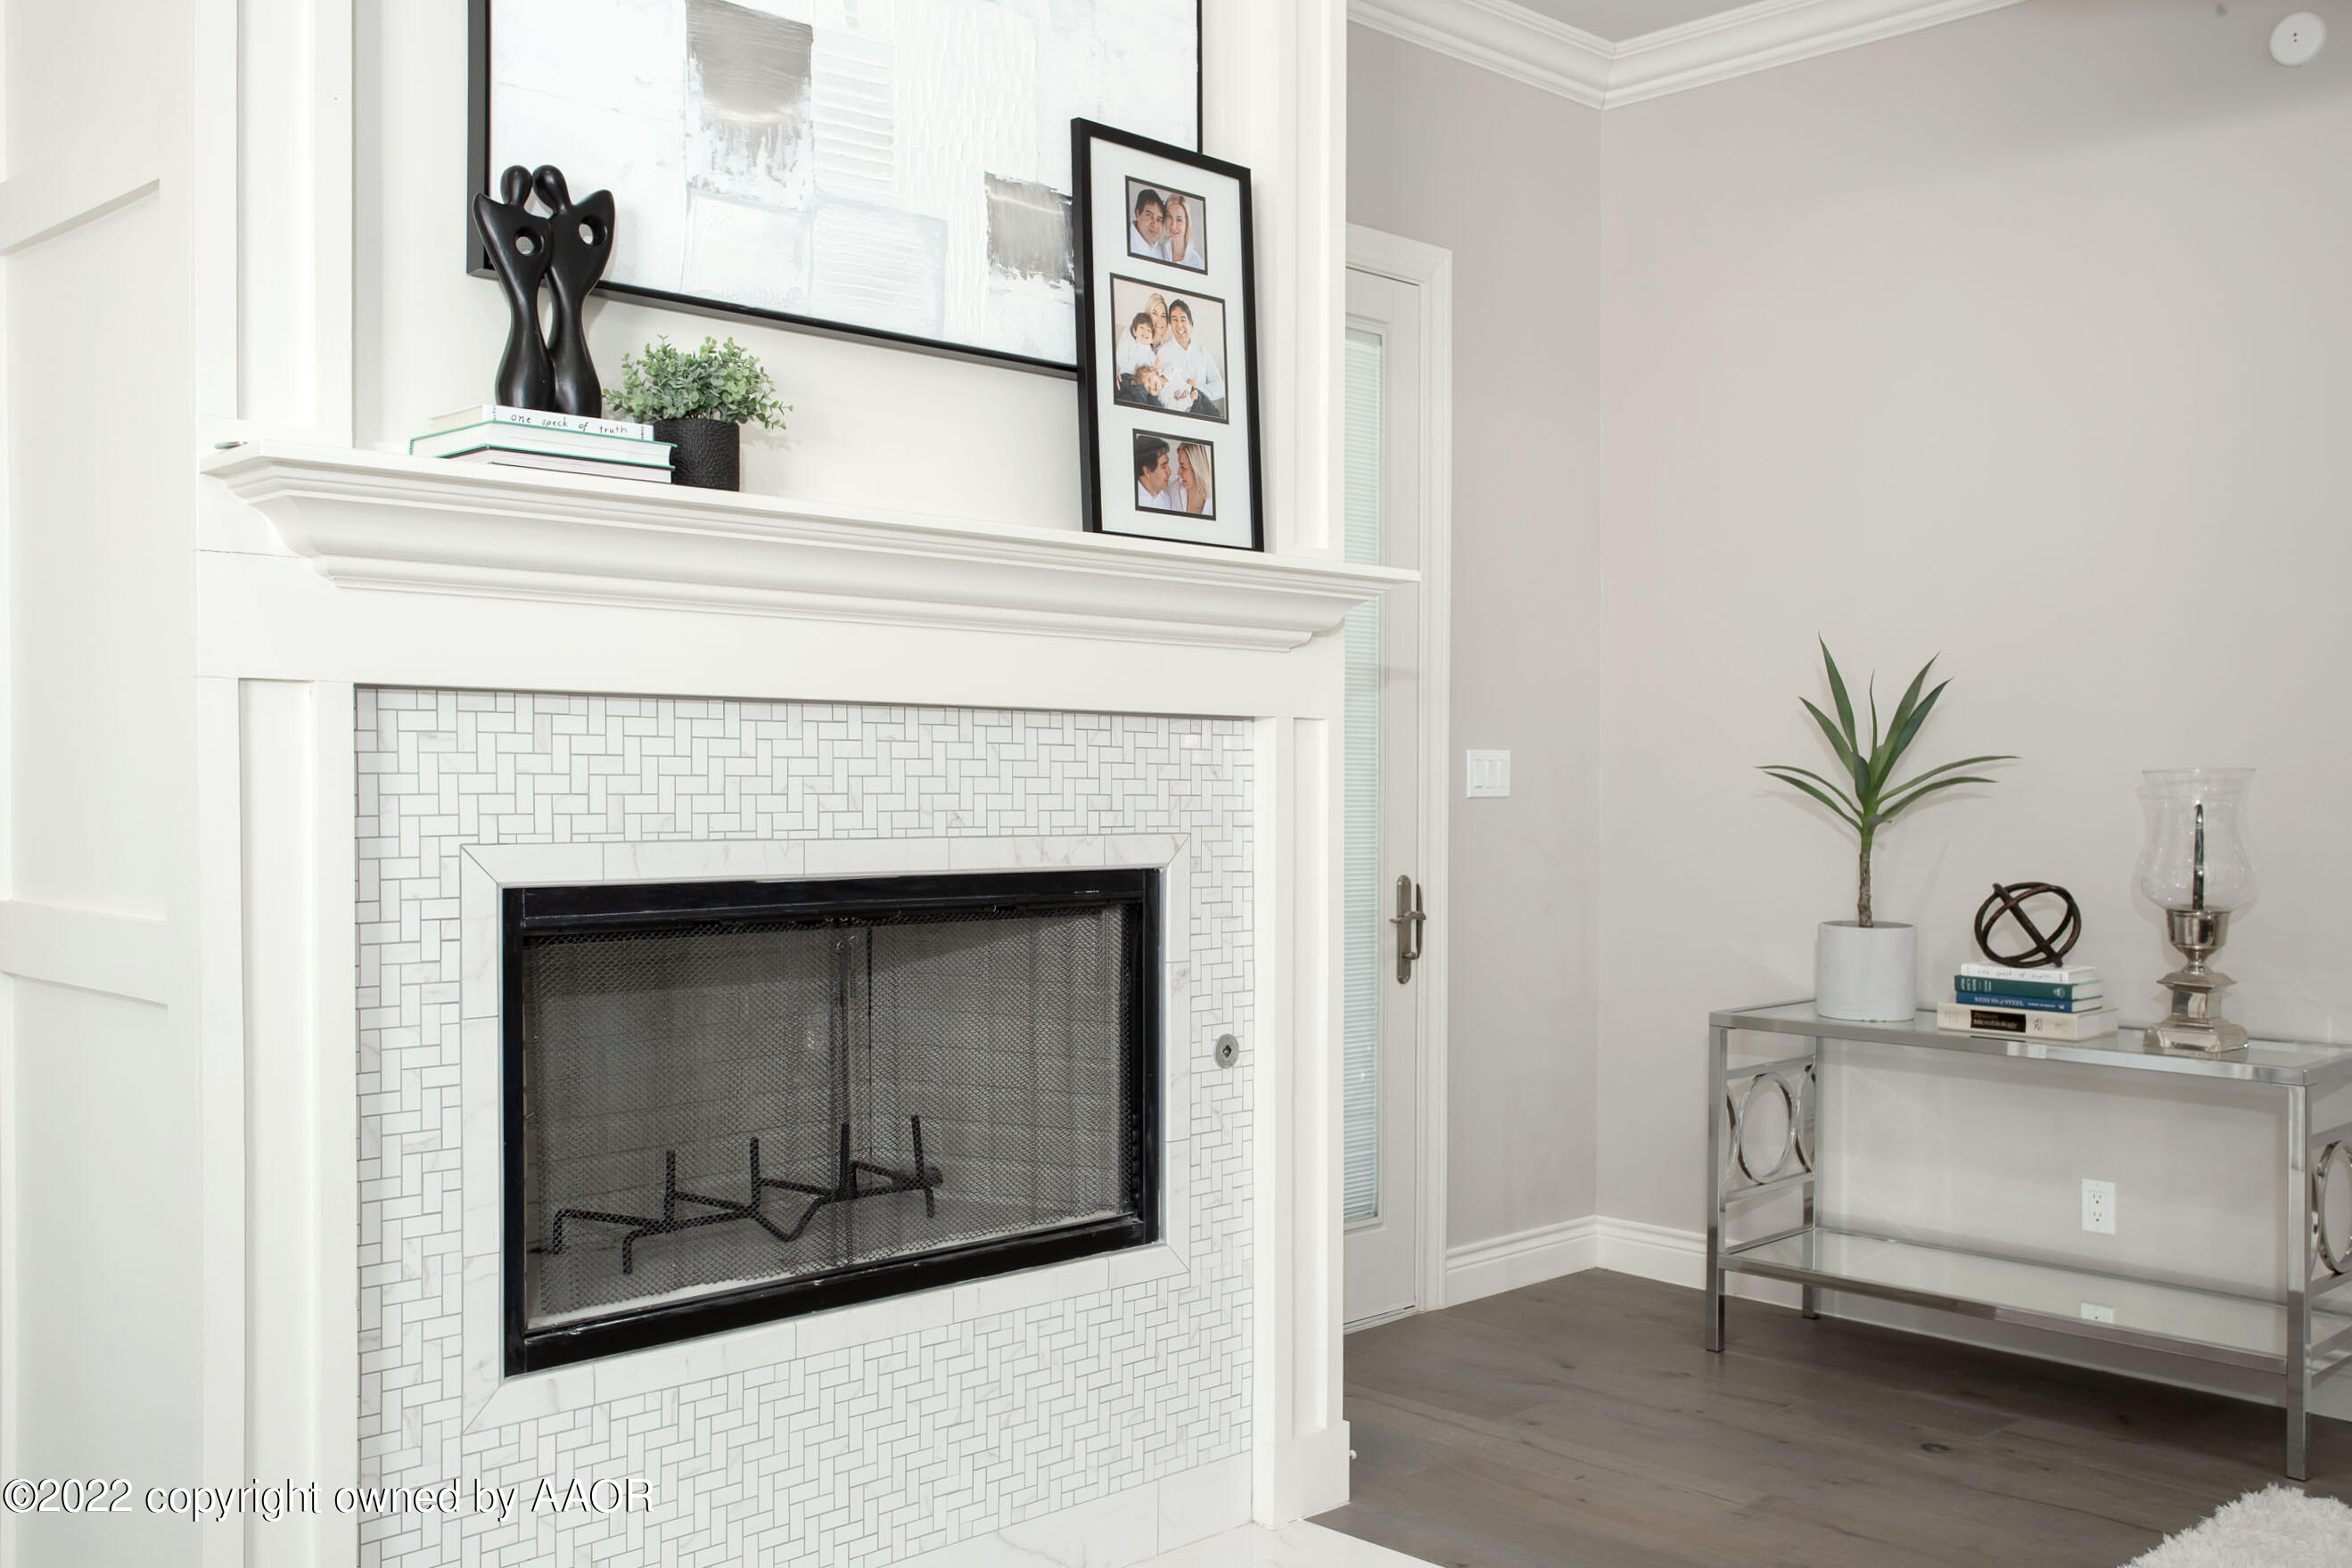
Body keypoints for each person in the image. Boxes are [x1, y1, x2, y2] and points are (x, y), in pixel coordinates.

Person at [1154, 299, 1225, 420]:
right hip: (1178, 413)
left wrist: (1195, 390)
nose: (1179, 325)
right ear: (1170, 324)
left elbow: (1220, 387)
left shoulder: (1202, 352)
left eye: (1183, 319)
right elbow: (1161, 392)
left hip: (1203, 411)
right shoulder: (1163, 352)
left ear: (1191, 325)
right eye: (1174, 319)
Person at [1114, 311, 1164, 404]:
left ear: (1152, 339)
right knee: (1116, 389)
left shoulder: (1150, 354)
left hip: (1139, 382)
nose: (1145, 332)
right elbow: (1120, 359)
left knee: (1141, 393)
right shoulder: (1130, 343)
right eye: (1142, 327)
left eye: (1149, 330)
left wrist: (1156, 367)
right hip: (1125, 377)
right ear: (1134, 332)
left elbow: (1157, 368)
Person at [1135, 437, 1179, 510]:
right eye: (1163, 466)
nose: (1170, 472)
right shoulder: (1129, 498)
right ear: (1147, 472)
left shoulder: (1168, 498)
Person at [1163, 193, 1203, 270]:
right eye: (1169, 216)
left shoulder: (1198, 264)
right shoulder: (1160, 248)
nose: (1173, 226)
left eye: (1179, 220)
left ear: (1187, 223)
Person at [1129, 188, 1170, 261]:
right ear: (1138, 214)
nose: (1155, 225)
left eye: (1159, 219)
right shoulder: (1123, 241)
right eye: (1149, 215)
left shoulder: (1164, 249)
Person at [1178, 443, 1213, 516]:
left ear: (1198, 469)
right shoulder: (1173, 491)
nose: (1178, 473)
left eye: (1183, 467)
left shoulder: (1217, 504)